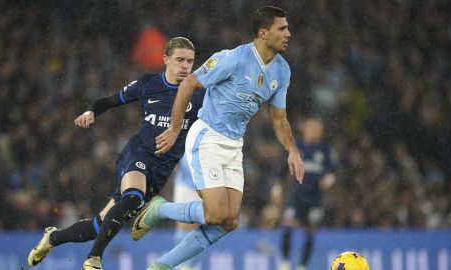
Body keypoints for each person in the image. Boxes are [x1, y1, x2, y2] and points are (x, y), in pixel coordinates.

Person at [131, 6, 305, 270]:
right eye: (282, 28)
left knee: (230, 221)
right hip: (208, 138)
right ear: (263, 32)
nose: (288, 34)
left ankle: (161, 266)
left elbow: (279, 119)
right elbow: (189, 83)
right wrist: (177, 128)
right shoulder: (231, 59)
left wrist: (292, 149)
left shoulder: (282, 71)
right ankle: (159, 210)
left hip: (234, 146)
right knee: (214, 213)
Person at [27, 37, 204, 270]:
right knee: (133, 196)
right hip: (137, 154)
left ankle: (52, 238)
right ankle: (93, 259)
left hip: (161, 171)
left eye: (189, 61)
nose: (185, 66)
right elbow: (110, 100)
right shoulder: (148, 84)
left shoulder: (199, 94)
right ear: (166, 60)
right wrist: (91, 111)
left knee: (97, 227)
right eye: (179, 60)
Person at [279, 117, 336, 270]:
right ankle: (285, 263)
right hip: (297, 196)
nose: (315, 131)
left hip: (315, 198)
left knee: (310, 230)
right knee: (288, 225)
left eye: (317, 128)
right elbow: (282, 168)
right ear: (304, 129)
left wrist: (330, 179)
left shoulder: (324, 149)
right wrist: (277, 188)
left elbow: (332, 170)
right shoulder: (296, 147)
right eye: (312, 128)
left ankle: (302, 266)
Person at [172, 154, 202, 270]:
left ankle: (188, 266)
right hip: (185, 181)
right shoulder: (182, 135)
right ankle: (180, 265)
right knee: (183, 224)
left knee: (199, 227)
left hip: (204, 183)